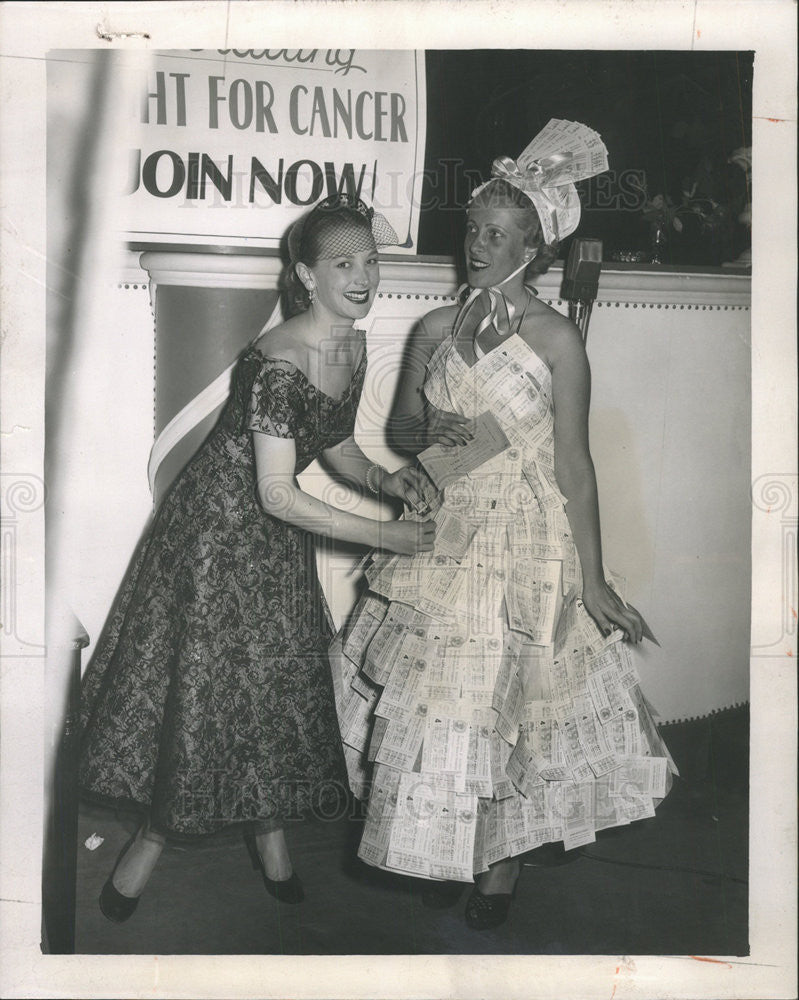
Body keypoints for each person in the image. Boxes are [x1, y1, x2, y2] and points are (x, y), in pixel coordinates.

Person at [331, 122, 676, 931]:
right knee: (443, 706)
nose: (477, 246)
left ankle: (501, 863)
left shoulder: (557, 339)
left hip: (526, 543)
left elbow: (574, 468)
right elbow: (405, 435)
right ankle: (443, 845)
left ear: (534, 246)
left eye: (496, 235)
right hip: (447, 535)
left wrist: (592, 579)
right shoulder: (434, 330)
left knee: (509, 703)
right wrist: (429, 442)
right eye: (472, 231)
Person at [78, 194, 434, 922]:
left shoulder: (351, 342)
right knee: (206, 695)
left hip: (271, 539)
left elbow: (332, 444)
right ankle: (149, 841)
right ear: (305, 275)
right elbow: (276, 492)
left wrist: (385, 480)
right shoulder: (279, 360)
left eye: (368, 260)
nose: (362, 276)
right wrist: (385, 534)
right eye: (343, 263)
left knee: (267, 691)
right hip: (215, 534)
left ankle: (269, 836)